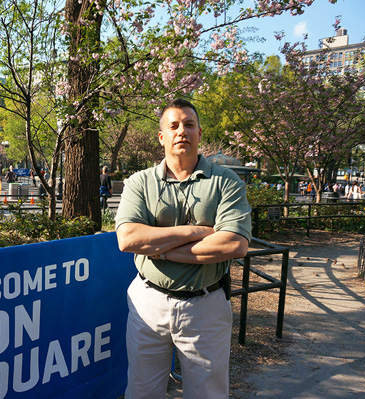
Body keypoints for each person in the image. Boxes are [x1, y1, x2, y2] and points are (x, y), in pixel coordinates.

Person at [115, 98, 252, 399]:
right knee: (142, 391)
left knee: (207, 394)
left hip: (206, 307)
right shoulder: (140, 182)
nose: (182, 131)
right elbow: (128, 239)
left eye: (189, 125)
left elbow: (235, 243)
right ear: (162, 136)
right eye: (173, 125)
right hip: (148, 304)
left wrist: (159, 248)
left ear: (199, 133)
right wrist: (194, 232)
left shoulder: (226, 183)